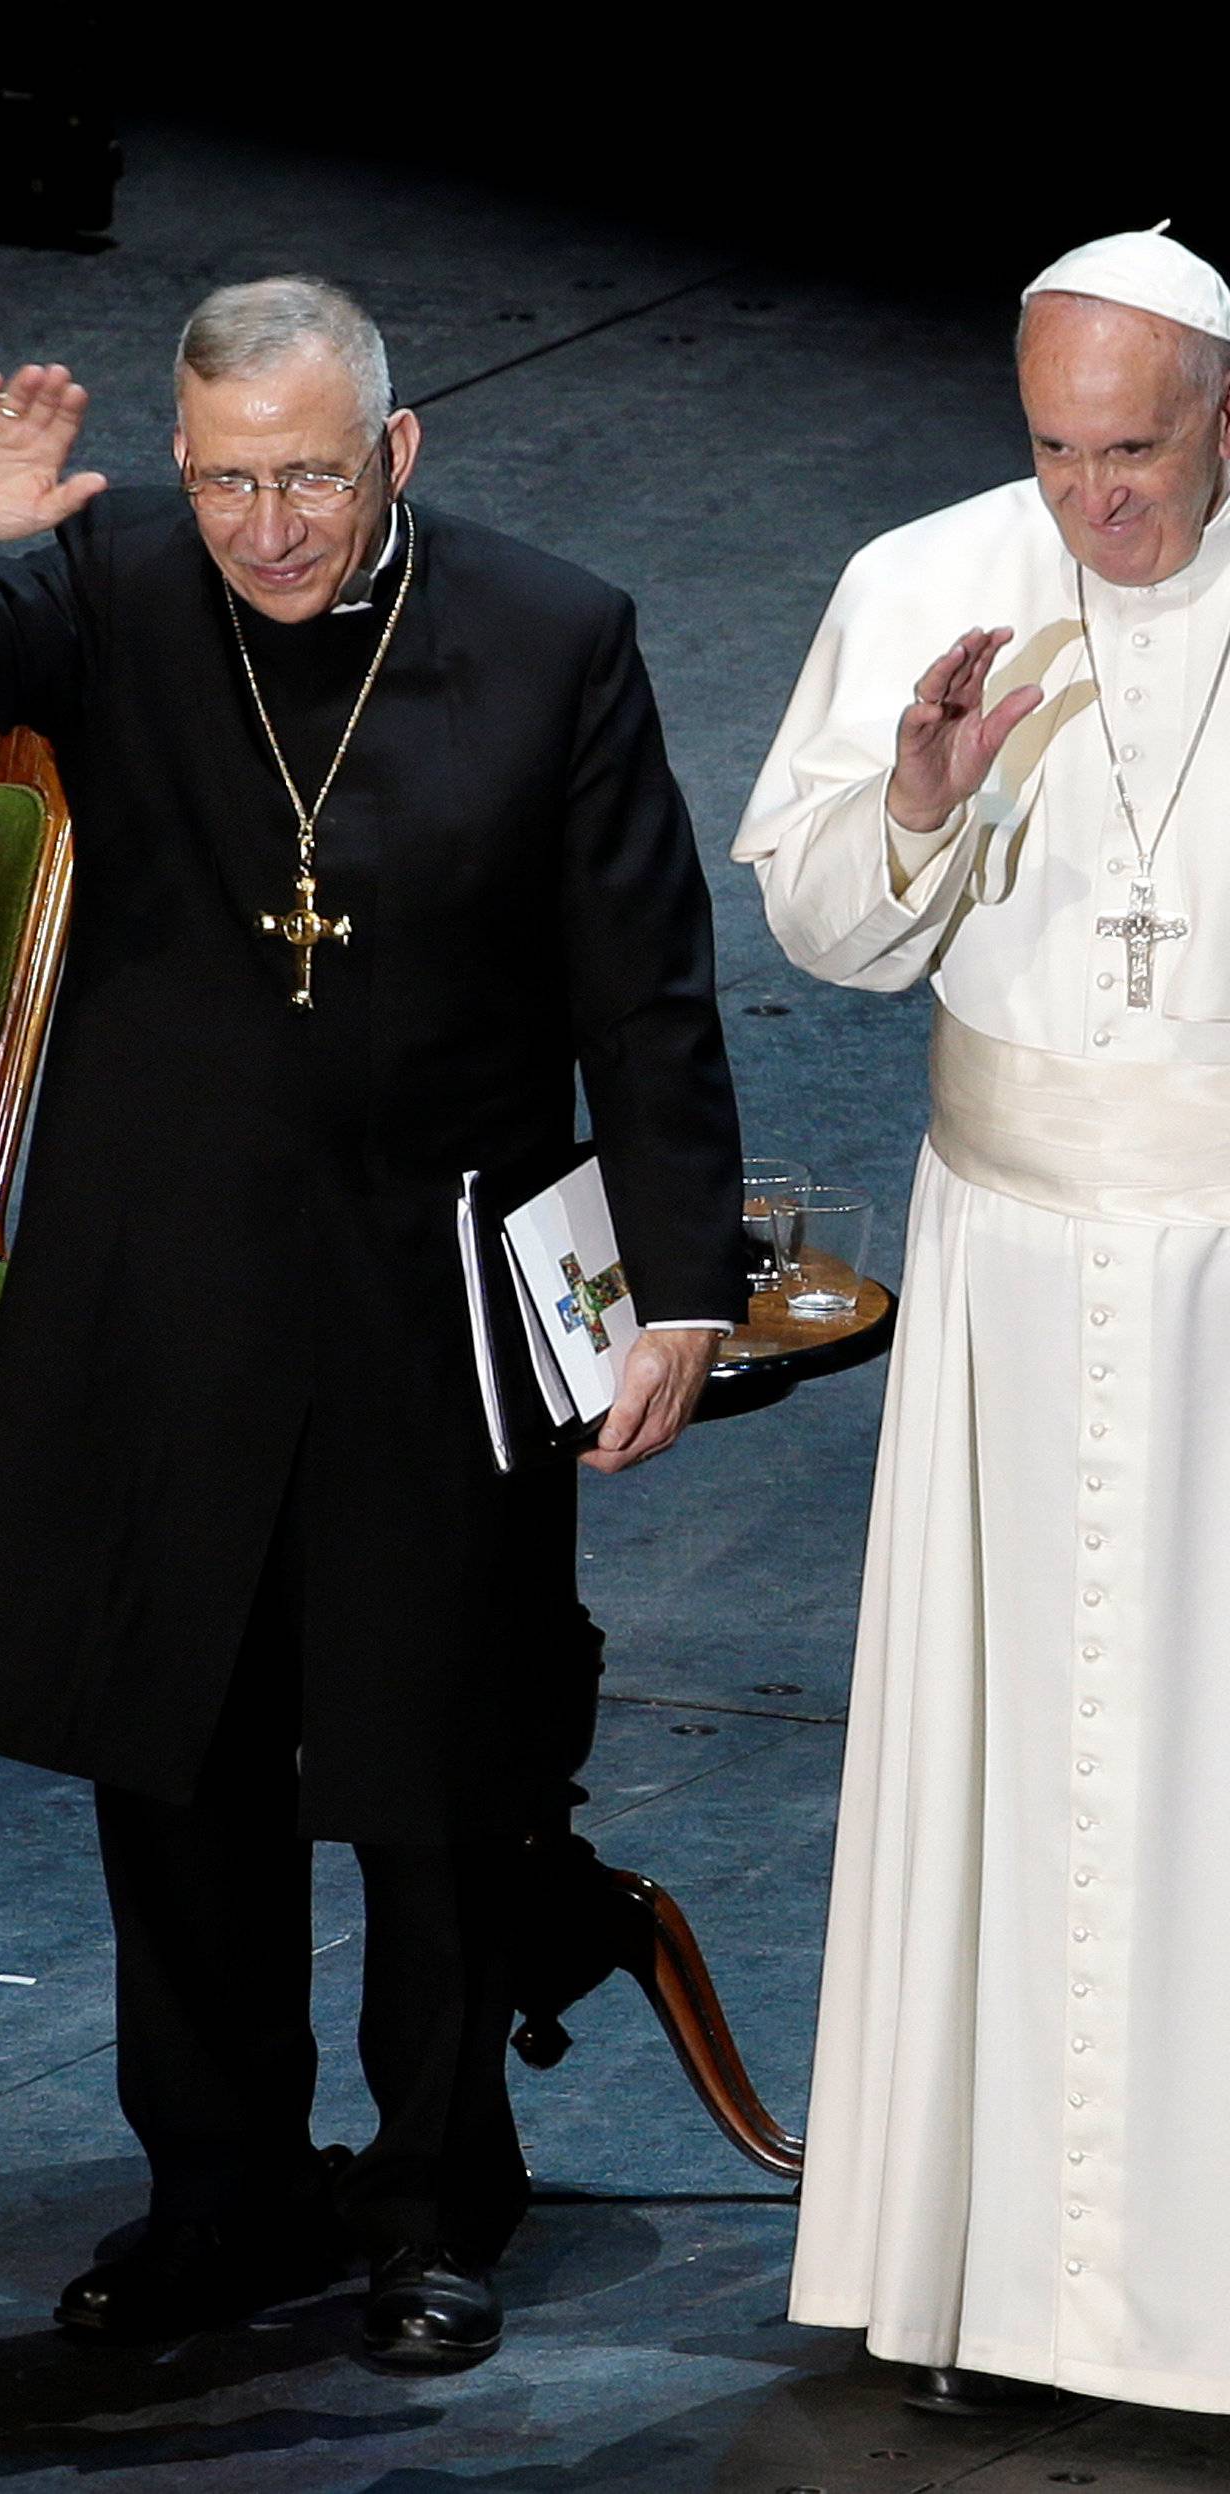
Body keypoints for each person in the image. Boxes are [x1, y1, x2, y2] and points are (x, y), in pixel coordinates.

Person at [0, 276, 744, 2370]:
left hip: (440, 1301)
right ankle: (216, 2196)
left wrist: (677, 1288)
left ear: (396, 453)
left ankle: (433, 2200)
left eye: (309, 475)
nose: (268, 526)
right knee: (181, 1763)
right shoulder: (118, 579)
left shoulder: (554, 632)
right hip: (168, 1300)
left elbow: (646, 989)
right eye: (230, 477)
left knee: (432, 1772)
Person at [735, 227, 1230, 2417]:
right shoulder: (928, 571)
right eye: (1053, 446)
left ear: (1219, 412)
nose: (1091, 501)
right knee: (1017, 1762)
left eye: (1132, 449)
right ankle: (998, 2287)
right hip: (1013, 1262)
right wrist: (922, 794)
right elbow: (823, 922)